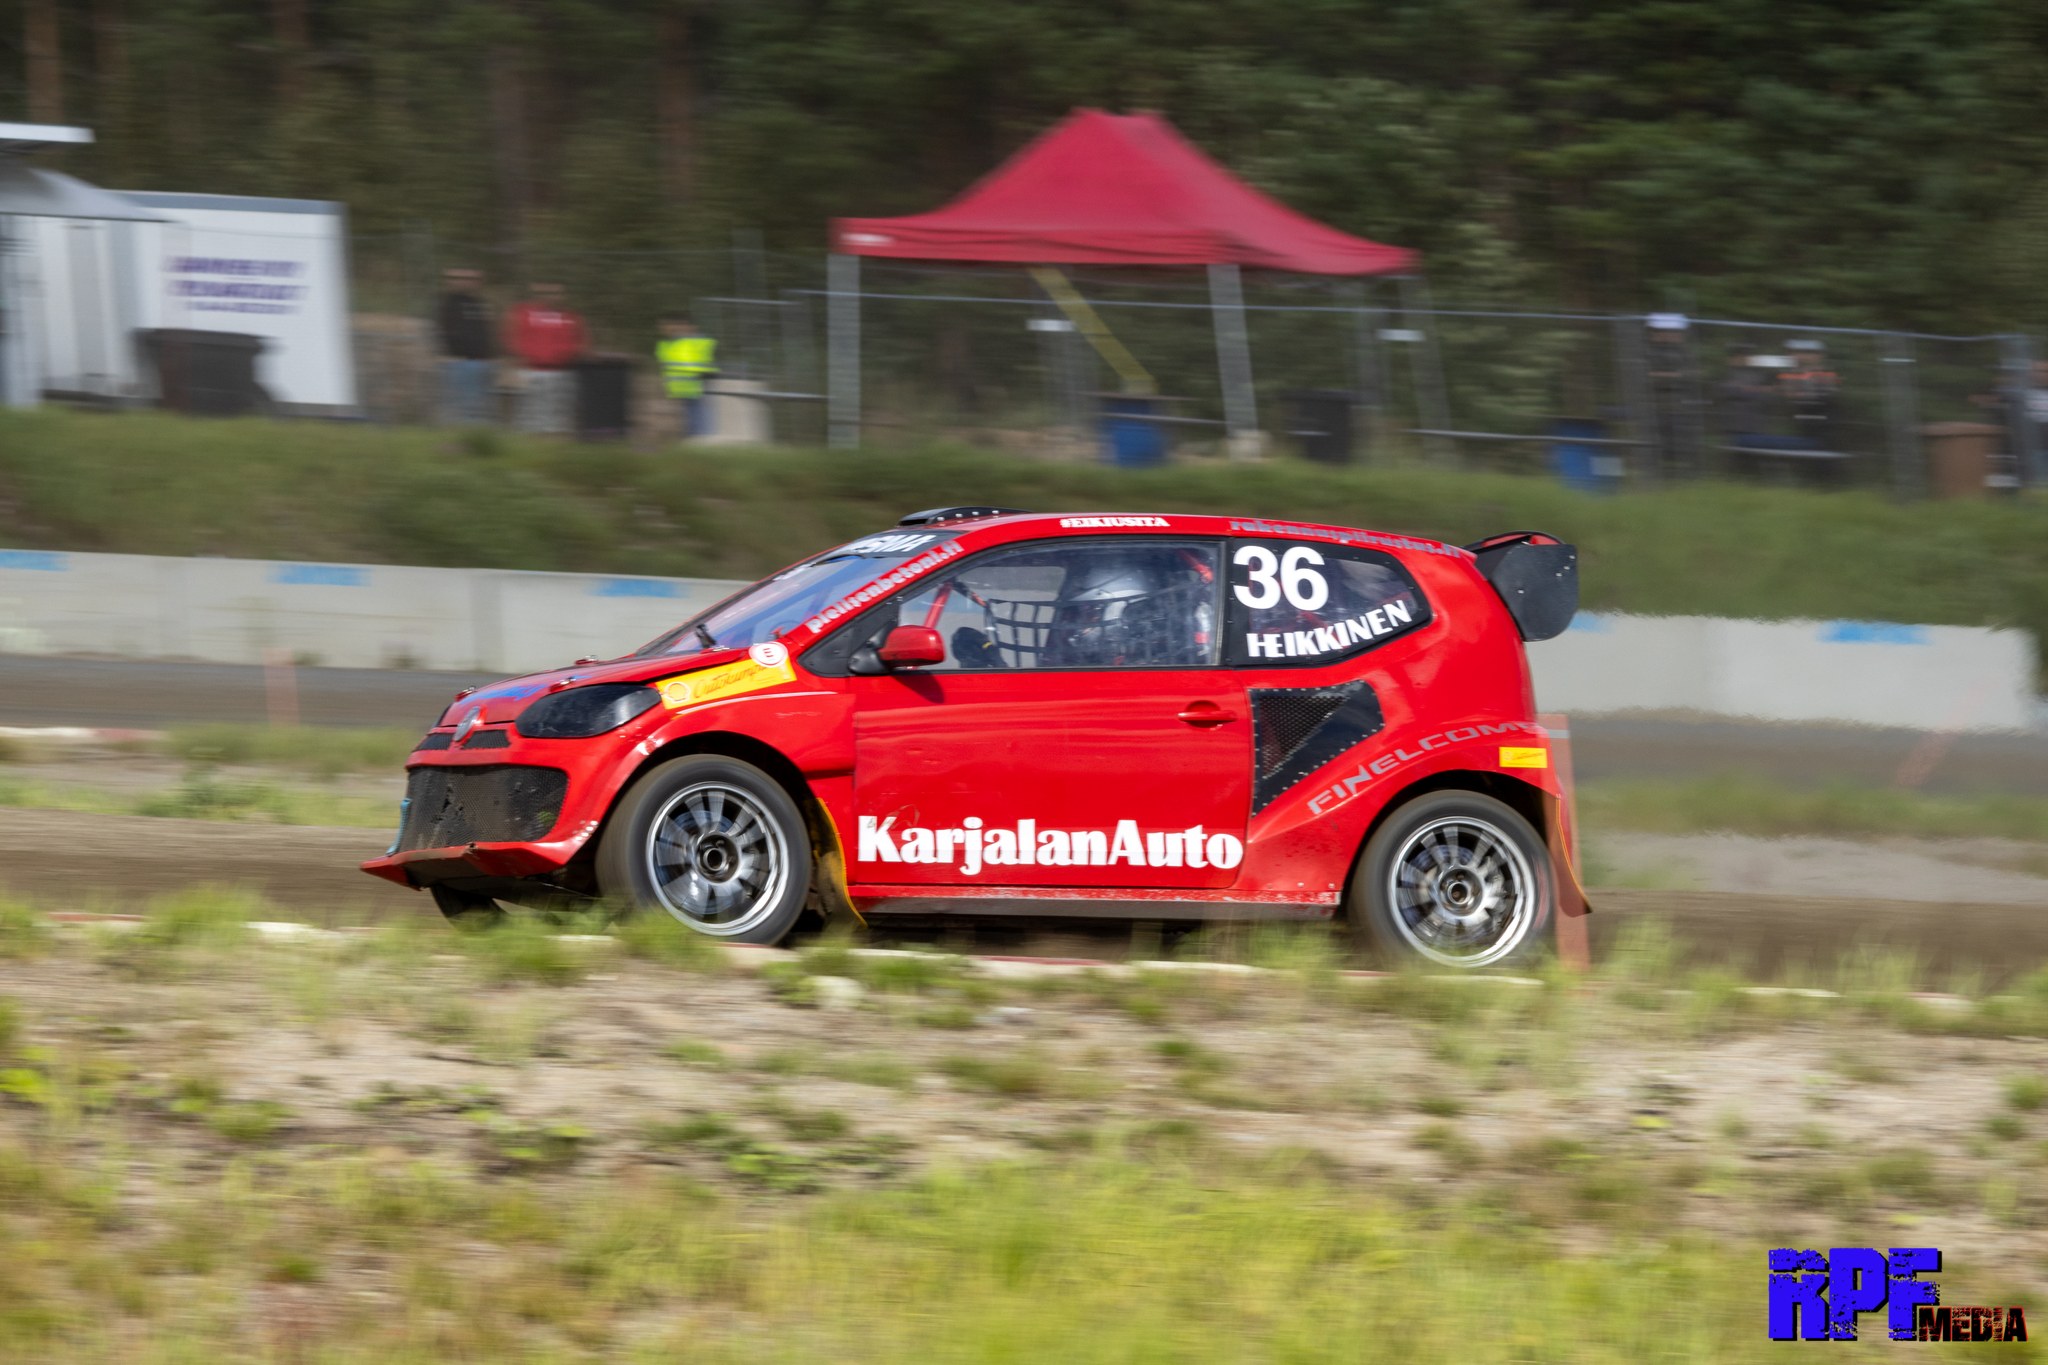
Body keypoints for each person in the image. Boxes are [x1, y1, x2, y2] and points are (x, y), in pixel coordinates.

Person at [503, 282, 587, 434]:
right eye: (545, 293)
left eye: (555, 294)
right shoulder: (523, 313)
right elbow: (511, 337)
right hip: (530, 371)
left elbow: (580, 340)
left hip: (562, 373)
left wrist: (569, 354)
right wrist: (520, 356)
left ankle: (554, 442)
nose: (550, 297)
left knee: (559, 416)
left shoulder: (570, 317)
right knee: (528, 415)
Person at [434, 268, 496, 424]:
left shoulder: (480, 304)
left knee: (479, 406)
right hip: (459, 362)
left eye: (472, 279)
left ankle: (475, 432)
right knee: (460, 407)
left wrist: (489, 357)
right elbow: (442, 332)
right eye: (459, 278)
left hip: (481, 363)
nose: (465, 282)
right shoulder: (447, 303)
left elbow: (488, 331)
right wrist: (449, 355)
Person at [655, 314, 719, 439]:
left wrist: (706, 371)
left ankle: (704, 436)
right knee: (690, 411)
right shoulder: (670, 343)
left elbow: (704, 359)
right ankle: (696, 436)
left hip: (696, 380)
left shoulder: (693, 341)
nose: (665, 328)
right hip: (683, 383)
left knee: (698, 409)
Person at [1780, 339, 1840, 450]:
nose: (1796, 356)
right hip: (1801, 428)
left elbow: (1823, 397)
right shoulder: (1793, 373)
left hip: (1820, 432)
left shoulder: (1825, 374)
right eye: (1794, 352)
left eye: (1803, 353)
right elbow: (1788, 396)